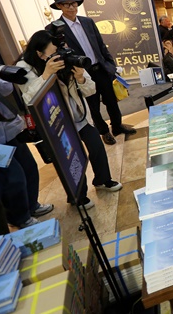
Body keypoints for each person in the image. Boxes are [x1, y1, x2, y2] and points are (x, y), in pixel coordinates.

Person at [16, 30, 123, 209]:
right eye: (52, 54)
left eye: (58, 52)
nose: (57, 57)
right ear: (39, 54)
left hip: (78, 115)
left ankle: (103, 180)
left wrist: (81, 77)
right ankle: (77, 196)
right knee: (71, 158)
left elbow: (90, 90)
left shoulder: (66, 57)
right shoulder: (24, 68)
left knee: (96, 146)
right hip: (55, 122)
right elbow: (30, 98)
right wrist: (46, 75)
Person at [47, 0, 135, 146]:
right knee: (93, 107)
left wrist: (110, 65)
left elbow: (101, 46)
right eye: (67, 5)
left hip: (101, 69)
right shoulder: (54, 29)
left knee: (111, 101)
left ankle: (117, 126)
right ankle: (104, 132)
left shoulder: (87, 22)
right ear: (59, 6)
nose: (72, 8)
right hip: (82, 75)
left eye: (74, 3)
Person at [0, 71, 54, 229]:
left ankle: (32, 205)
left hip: (9, 130)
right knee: (14, 177)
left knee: (29, 167)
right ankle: (20, 218)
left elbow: (7, 89)